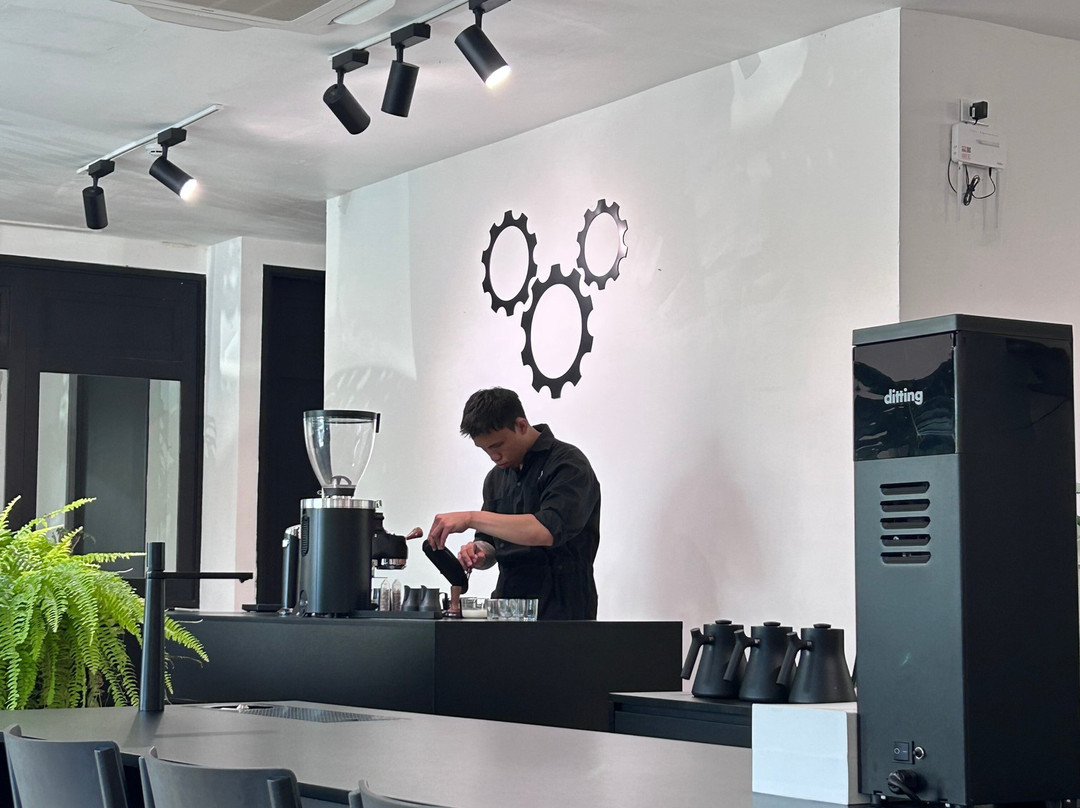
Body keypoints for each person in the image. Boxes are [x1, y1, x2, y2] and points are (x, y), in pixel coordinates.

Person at [427, 387, 601, 620]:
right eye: (485, 449)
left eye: (497, 445)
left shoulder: (568, 465)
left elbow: (547, 529)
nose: (493, 457)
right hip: (506, 608)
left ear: (521, 425)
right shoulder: (495, 478)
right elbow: (490, 543)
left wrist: (470, 517)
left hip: (561, 610)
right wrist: (479, 552)